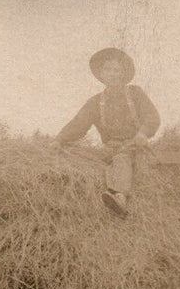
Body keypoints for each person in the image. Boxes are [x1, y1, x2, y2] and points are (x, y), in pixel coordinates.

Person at [55, 47, 161, 216]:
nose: (112, 74)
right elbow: (78, 124)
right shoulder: (95, 102)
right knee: (79, 158)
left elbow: (152, 116)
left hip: (133, 147)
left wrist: (143, 133)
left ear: (123, 73)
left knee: (121, 158)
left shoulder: (135, 94)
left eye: (116, 70)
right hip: (108, 148)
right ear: (101, 74)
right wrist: (59, 139)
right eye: (107, 70)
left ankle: (119, 196)